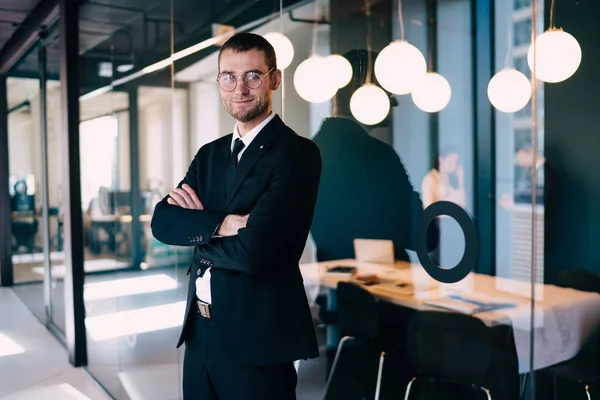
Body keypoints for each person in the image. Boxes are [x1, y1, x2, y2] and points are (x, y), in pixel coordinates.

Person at [150, 33, 322, 400]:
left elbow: (255, 251)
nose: (240, 88)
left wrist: (198, 233)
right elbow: (163, 222)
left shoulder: (295, 153)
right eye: (228, 76)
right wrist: (225, 224)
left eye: (253, 76)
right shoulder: (209, 155)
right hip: (200, 332)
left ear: (274, 80)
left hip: (256, 339)